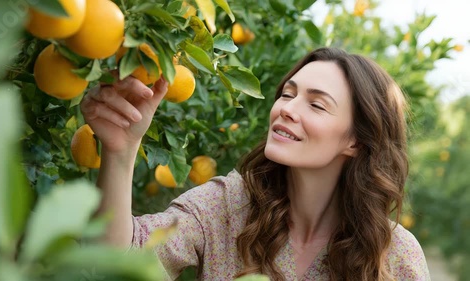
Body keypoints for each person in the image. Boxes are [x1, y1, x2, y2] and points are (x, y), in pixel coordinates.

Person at [80, 47, 430, 280]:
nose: (286, 109)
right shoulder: (228, 206)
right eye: (288, 94)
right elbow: (114, 262)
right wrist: (121, 151)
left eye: (316, 105)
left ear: (356, 140)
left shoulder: (396, 256)